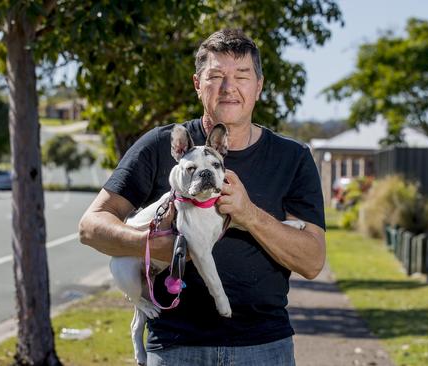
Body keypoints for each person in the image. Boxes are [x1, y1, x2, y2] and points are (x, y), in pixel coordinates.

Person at [79, 29, 326, 366]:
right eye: (215, 76)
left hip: (264, 347)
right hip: (175, 347)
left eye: (241, 75)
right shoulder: (158, 145)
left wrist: (249, 215)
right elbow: (90, 226)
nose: (229, 87)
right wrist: (152, 245)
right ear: (197, 84)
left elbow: (312, 261)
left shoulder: (293, 157)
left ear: (259, 86)